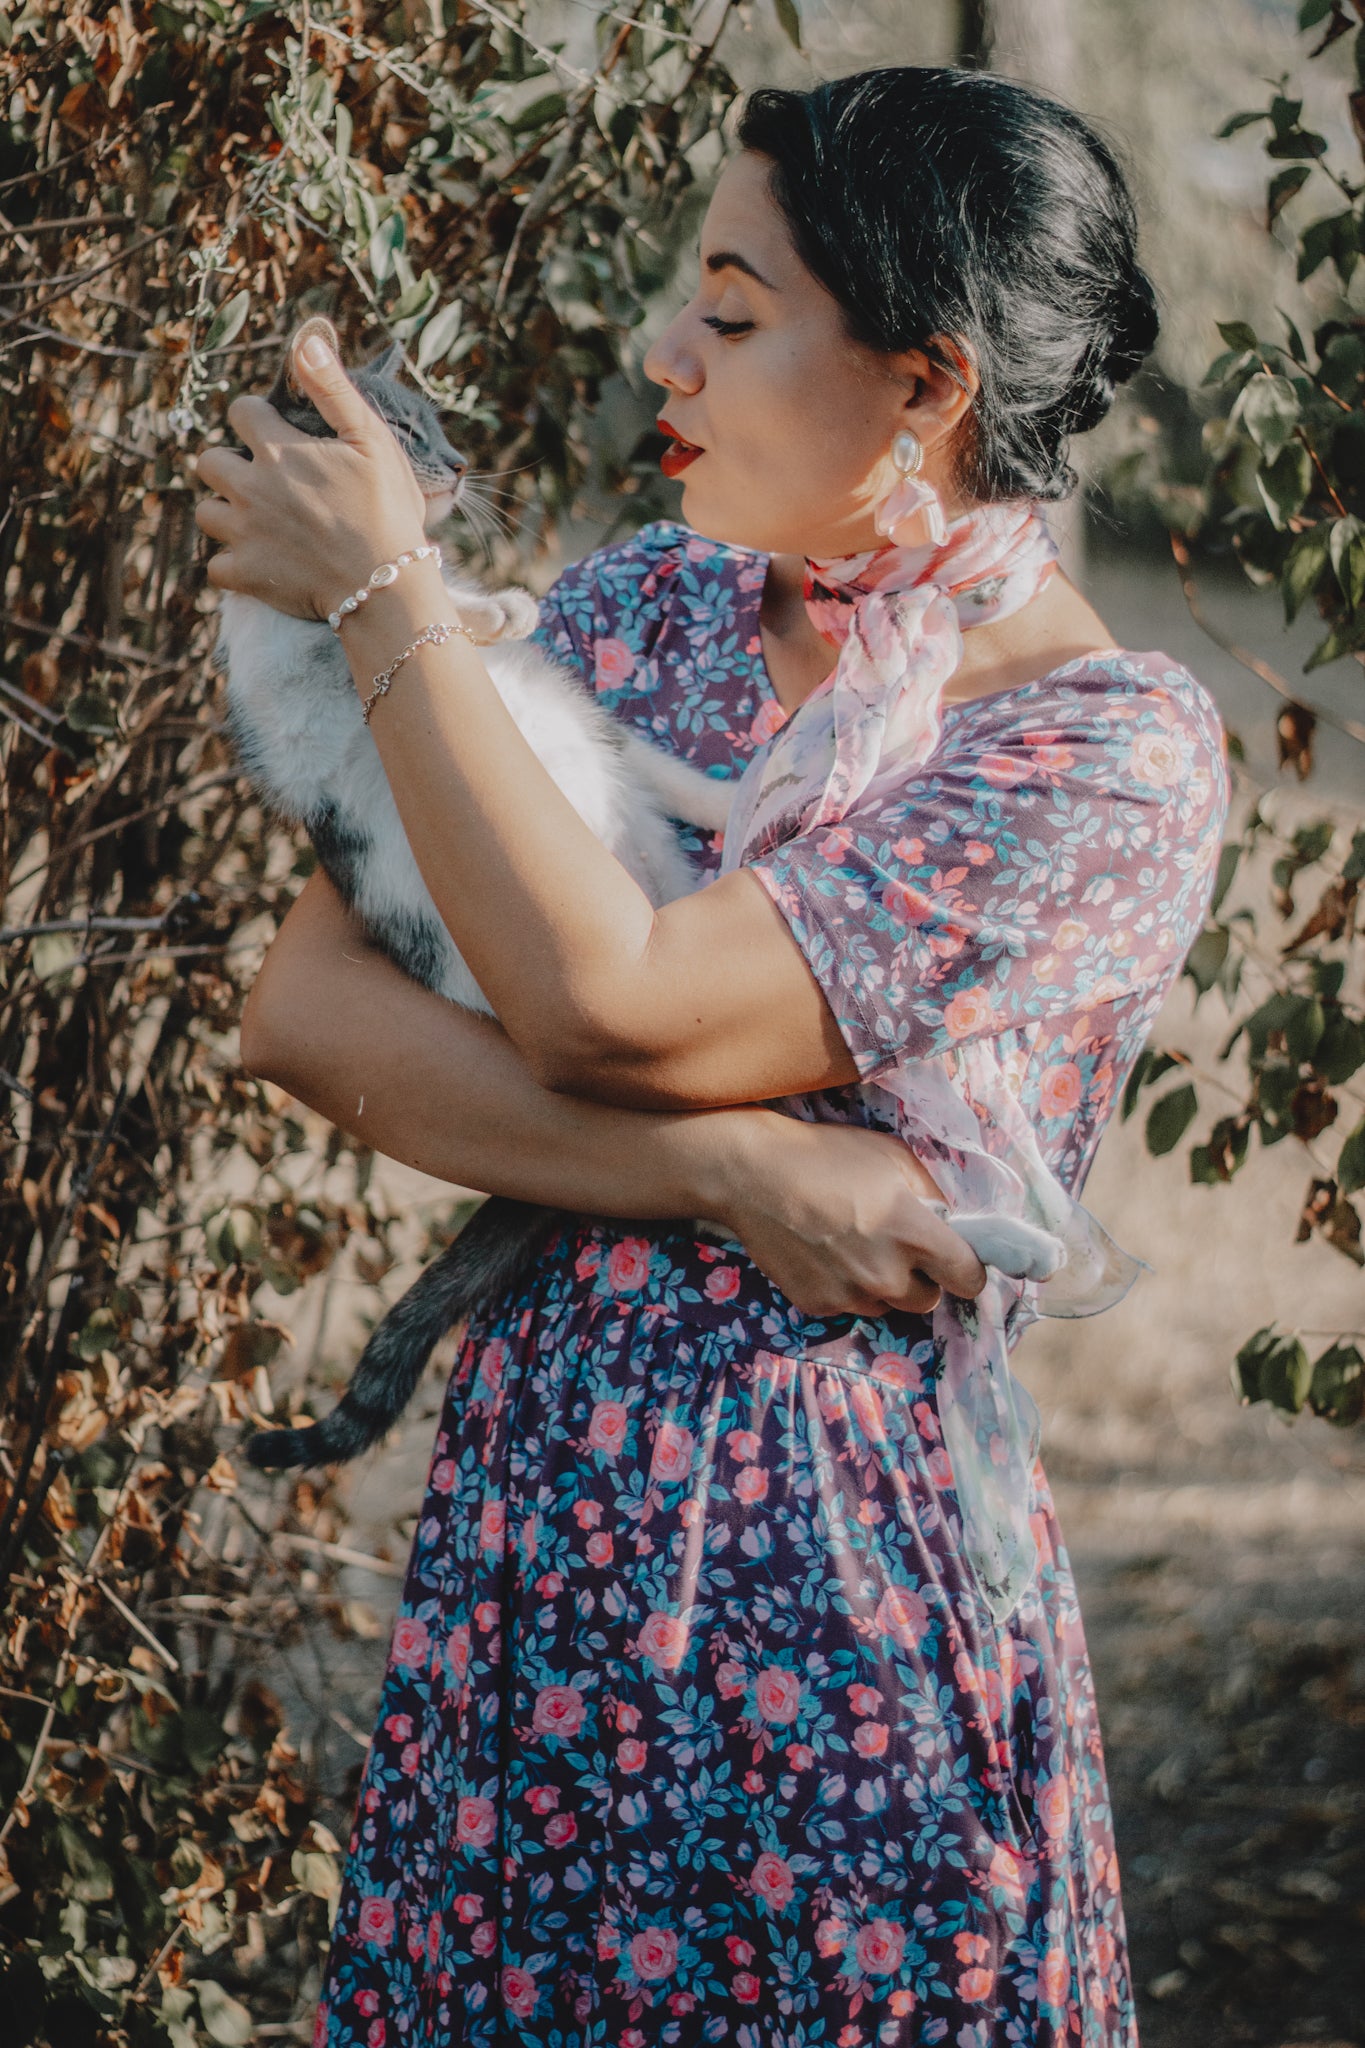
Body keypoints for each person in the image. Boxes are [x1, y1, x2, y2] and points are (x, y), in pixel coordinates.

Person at [195, 65, 1228, 2048]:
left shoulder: (1096, 756)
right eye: (691, 292)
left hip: (836, 1616)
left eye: (736, 313)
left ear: (923, 384)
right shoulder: (631, 612)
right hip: (541, 1550)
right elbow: (311, 1010)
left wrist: (389, 591)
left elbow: (616, 1001)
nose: (665, 347)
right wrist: (724, 1170)